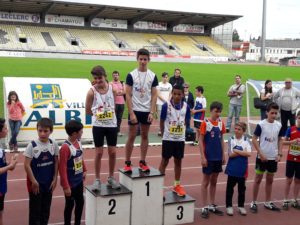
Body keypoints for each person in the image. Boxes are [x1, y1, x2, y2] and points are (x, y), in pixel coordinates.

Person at [85, 65, 120, 190]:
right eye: (95, 78)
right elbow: (88, 110)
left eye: (100, 78)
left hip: (111, 125)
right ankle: (97, 179)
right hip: (98, 126)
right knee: (99, 153)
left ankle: (111, 177)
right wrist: (98, 113)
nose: (98, 81)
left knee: (113, 151)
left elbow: (113, 105)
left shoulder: (113, 90)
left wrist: (107, 112)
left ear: (105, 76)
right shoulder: (91, 92)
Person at [123, 48, 158, 173]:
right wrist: (131, 112)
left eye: (145, 59)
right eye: (141, 59)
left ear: (149, 60)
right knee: (132, 136)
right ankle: (127, 162)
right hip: (135, 109)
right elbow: (127, 94)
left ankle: (142, 161)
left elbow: (154, 95)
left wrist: (152, 112)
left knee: (144, 135)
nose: (143, 61)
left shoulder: (152, 76)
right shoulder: (131, 75)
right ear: (137, 59)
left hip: (147, 110)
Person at [24, 118, 59, 225]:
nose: (42, 133)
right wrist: (34, 181)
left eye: (45, 131)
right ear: (37, 130)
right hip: (36, 185)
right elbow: (26, 165)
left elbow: (56, 162)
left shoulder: (54, 144)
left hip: (48, 184)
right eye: (40, 131)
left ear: (51, 131)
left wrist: (55, 179)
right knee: (35, 213)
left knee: (45, 211)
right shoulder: (32, 145)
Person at [250, 102, 284, 213]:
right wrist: (261, 153)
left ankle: (267, 202)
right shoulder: (261, 124)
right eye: (272, 113)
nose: (274, 115)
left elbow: (280, 139)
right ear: (267, 113)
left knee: (270, 180)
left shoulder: (279, 125)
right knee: (258, 179)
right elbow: (254, 139)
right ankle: (253, 202)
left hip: (273, 158)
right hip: (262, 157)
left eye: (275, 113)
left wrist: (279, 154)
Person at [159, 85, 191, 197]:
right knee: (164, 161)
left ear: (182, 94)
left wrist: (181, 132)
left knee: (178, 162)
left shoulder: (186, 107)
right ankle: (158, 186)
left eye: (179, 94)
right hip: (168, 139)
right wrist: (164, 134)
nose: (177, 96)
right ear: (172, 94)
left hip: (180, 139)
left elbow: (186, 121)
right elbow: (161, 121)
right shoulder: (165, 106)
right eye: (175, 94)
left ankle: (176, 185)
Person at [199, 101, 226, 219]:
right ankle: (204, 206)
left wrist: (223, 155)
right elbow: (200, 141)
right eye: (216, 111)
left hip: (218, 157)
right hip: (208, 157)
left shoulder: (221, 123)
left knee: (214, 180)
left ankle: (211, 204)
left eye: (219, 111)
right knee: (206, 181)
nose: (218, 114)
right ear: (211, 111)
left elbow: (222, 140)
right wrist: (202, 156)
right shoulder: (205, 123)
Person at [59, 120, 87, 225]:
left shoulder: (78, 141)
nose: (82, 132)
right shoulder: (65, 148)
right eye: (81, 131)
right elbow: (62, 168)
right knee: (70, 205)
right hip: (70, 183)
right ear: (74, 133)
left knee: (80, 203)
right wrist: (66, 186)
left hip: (79, 181)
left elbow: (80, 157)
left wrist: (84, 169)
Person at [225, 122, 251, 216]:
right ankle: (229, 206)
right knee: (230, 188)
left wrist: (236, 150)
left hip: (242, 168)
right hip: (232, 168)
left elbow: (249, 153)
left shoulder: (246, 140)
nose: (236, 131)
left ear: (243, 131)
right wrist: (242, 152)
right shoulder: (231, 139)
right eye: (235, 129)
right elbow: (230, 154)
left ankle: (241, 206)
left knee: (241, 189)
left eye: (239, 129)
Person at [0, 118, 18, 225]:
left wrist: (11, 164)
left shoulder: (1, 148)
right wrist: (10, 166)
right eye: (5, 128)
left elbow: (5, 167)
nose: (7, 130)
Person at [282, 111, 300, 210]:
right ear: (297, 118)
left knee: (298, 180)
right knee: (288, 180)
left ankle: (295, 200)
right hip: (291, 159)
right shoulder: (290, 129)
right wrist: (292, 142)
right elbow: (283, 142)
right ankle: (285, 200)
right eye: (299, 118)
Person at [110, 70, 126, 136]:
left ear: (118, 76)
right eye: (114, 75)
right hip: (114, 103)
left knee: (119, 118)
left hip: (121, 103)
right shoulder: (110, 83)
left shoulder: (122, 83)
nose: (115, 76)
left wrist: (117, 93)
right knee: (114, 117)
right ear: (112, 76)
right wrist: (120, 92)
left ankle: (118, 131)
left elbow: (125, 92)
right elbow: (111, 92)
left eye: (116, 75)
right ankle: (113, 130)